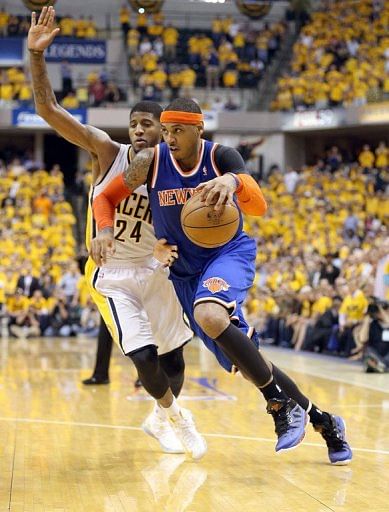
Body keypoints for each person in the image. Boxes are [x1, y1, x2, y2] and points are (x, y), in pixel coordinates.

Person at [92, 97, 353, 464]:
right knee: (250, 366)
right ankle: (324, 421)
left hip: (226, 256)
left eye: (178, 130)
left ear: (199, 128)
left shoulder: (221, 158)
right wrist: (106, 232)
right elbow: (105, 198)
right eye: (165, 131)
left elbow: (259, 206)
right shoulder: (149, 162)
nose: (169, 138)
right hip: (185, 275)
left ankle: (278, 405)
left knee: (212, 318)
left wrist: (232, 181)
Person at [28, 7, 206, 460]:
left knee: (175, 359)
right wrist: (36, 57)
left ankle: (161, 415)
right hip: (113, 271)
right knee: (143, 356)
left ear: (165, 130)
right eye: (134, 124)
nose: (139, 130)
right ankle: (176, 417)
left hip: (156, 268)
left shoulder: (175, 168)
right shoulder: (108, 151)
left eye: (148, 124)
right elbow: (47, 109)